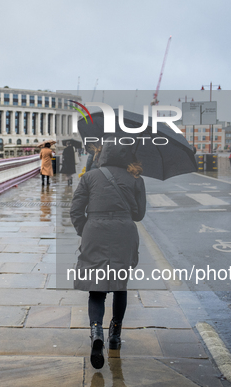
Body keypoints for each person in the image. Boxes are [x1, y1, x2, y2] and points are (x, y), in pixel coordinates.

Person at [70, 142, 146, 369]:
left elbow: (75, 210)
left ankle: (96, 332)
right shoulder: (136, 179)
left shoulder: (89, 177)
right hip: (124, 231)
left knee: (96, 288)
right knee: (120, 285)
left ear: (102, 155)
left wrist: (86, 229)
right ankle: (115, 334)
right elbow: (139, 214)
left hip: (95, 231)